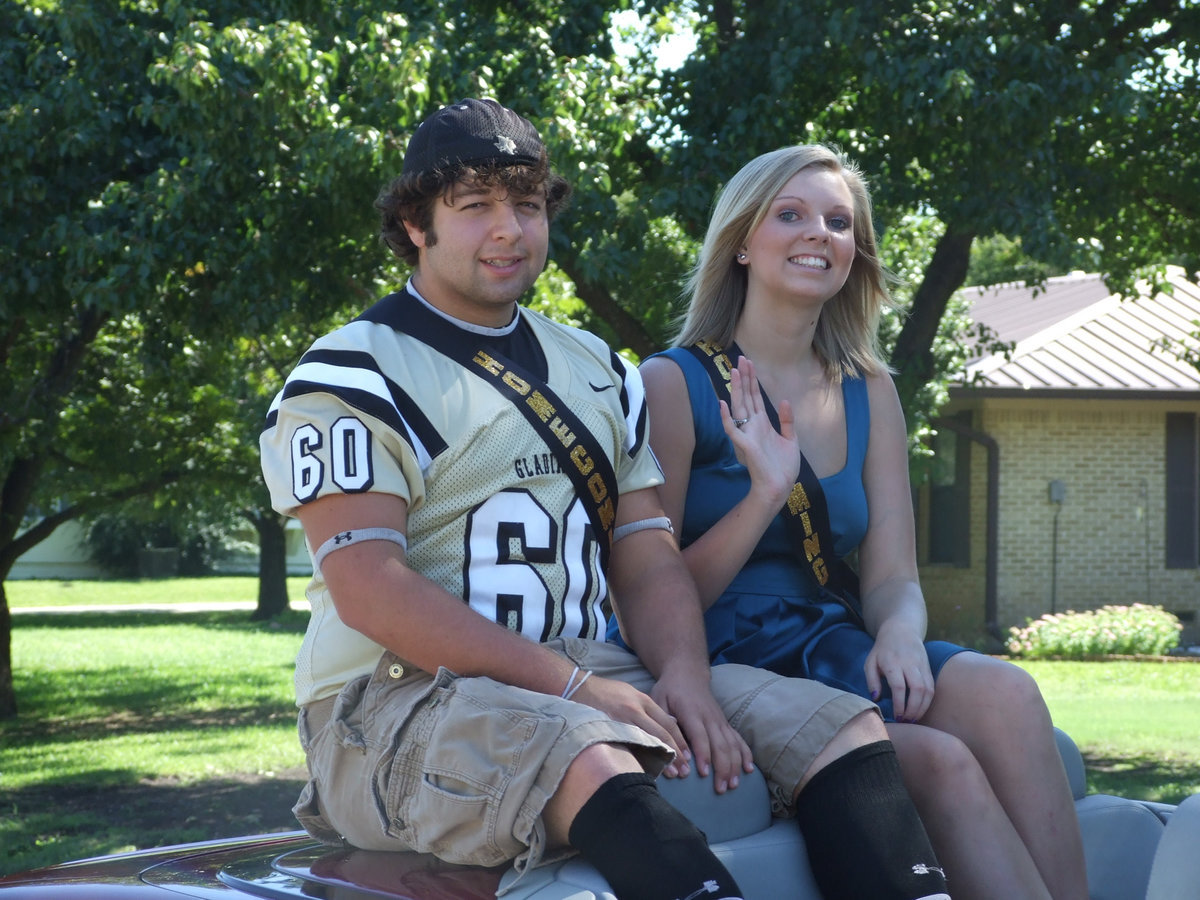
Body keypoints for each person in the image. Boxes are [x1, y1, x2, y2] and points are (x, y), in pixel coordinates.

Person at [259, 100, 951, 900]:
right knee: (587, 750)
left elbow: (646, 555)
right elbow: (370, 588)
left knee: (839, 726)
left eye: (527, 205)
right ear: (416, 224)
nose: (509, 230)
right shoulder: (350, 372)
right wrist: (573, 688)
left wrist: (685, 674)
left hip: (589, 669)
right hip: (395, 696)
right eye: (475, 206)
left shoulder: (597, 367)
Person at [619, 142, 1090, 900]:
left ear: (854, 255)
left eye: (839, 222)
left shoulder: (870, 388)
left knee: (1007, 692)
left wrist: (900, 631)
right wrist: (764, 494)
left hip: (833, 642)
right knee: (942, 760)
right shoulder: (671, 383)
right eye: (790, 214)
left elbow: (894, 575)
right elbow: (650, 593)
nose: (819, 233)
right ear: (741, 241)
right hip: (723, 653)